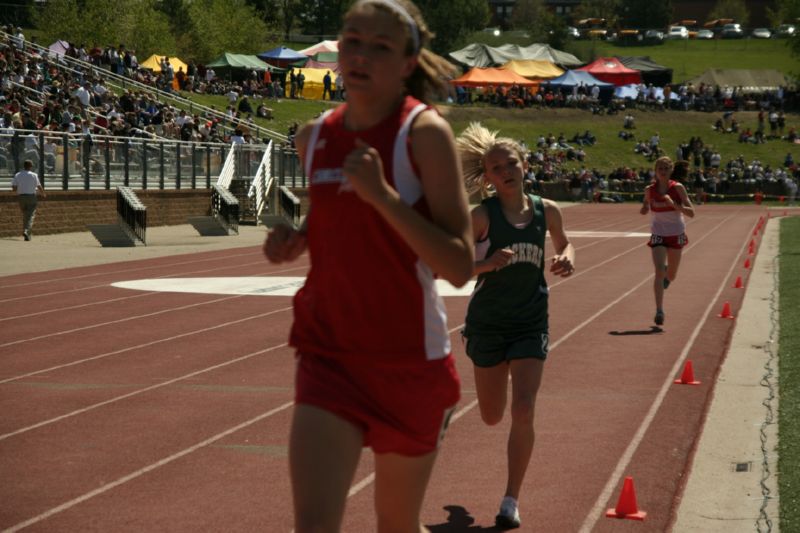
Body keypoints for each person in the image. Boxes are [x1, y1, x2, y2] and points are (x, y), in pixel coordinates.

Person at [262, 1, 474, 531]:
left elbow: (460, 264)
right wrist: (297, 241)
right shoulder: (314, 137)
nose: (360, 55)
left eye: (380, 47)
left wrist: (383, 197)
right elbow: (334, 219)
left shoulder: (423, 134)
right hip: (327, 354)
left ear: (407, 63)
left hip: (409, 361)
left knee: (396, 526)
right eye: (352, 40)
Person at [456, 122, 575, 530]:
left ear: (525, 165)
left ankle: (511, 500)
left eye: (511, 163)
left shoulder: (547, 210)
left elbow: (564, 242)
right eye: (496, 167)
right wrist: (485, 265)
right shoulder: (481, 217)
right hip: (488, 324)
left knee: (523, 408)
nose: (506, 171)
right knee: (492, 416)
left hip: (530, 318)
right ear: (486, 177)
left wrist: (567, 257)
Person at [640, 156, 695, 326]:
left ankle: (667, 273)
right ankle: (659, 310)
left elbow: (691, 212)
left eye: (666, 169)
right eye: (660, 169)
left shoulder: (677, 188)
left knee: (671, 275)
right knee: (657, 271)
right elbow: (644, 207)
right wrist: (644, 207)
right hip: (658, 233)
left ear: (671, 170)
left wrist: (674, 205)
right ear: (655, 171)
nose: (662, 172)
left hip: (676, 233)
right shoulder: (649, 190)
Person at [11, 159, 46, 241]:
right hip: (31, 197)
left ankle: (27, 235)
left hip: (21, 197)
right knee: (30, 216)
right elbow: (39, 186)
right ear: (30, 166)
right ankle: (26, 231)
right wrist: (43, 193)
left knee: (25, 215)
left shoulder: (18, 175)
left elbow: (14, 188)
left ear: (24, 166)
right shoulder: (34, 175)